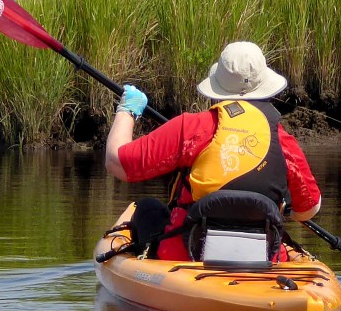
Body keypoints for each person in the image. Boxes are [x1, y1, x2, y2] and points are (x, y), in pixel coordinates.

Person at [105, 41, 322, 261]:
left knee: (146, 208)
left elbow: (117, 162)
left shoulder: (191, 128)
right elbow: (309, 209)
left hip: (184, 257)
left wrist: (127, 110)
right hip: (265, 259)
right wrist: (278, 205)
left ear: (218, 88)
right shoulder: (282, 139)